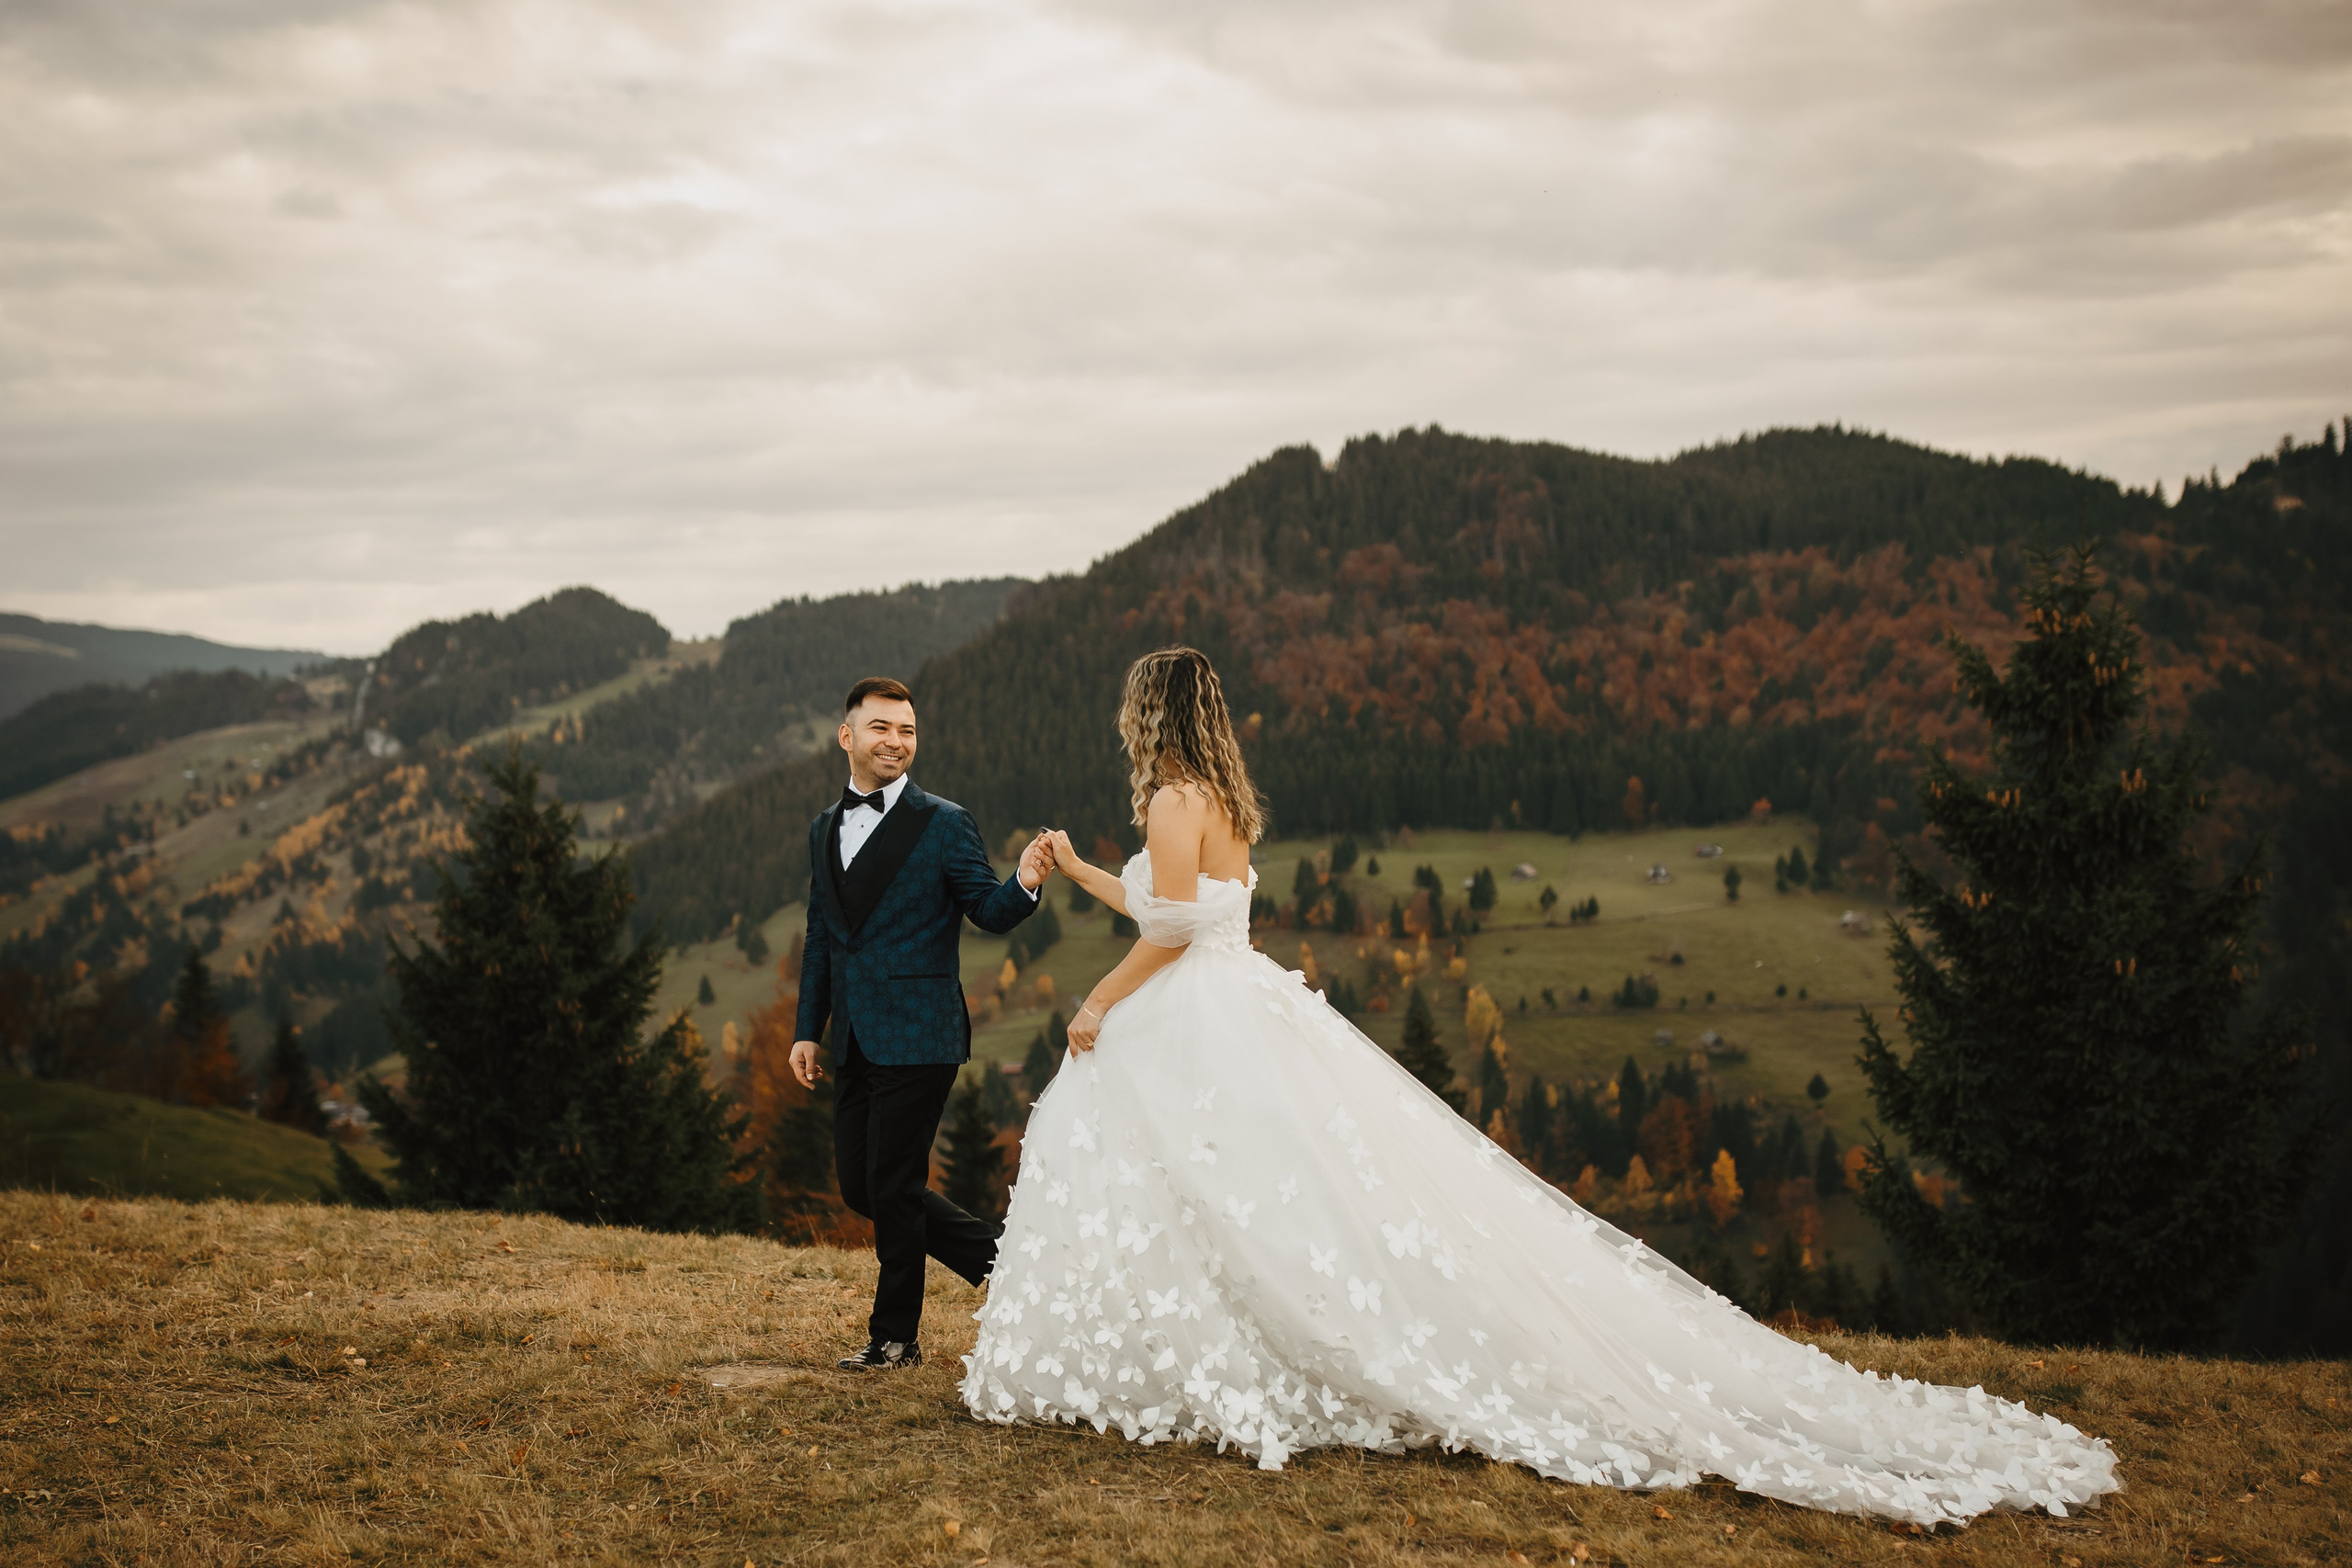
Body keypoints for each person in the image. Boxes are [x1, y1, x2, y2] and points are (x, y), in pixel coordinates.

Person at [960, 647, 2120, 1527]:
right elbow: (1186, 910)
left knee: (1205, 1188)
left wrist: (1097, 1001)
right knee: (1273, 1196)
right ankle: (1226, 1349)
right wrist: (1075, 870)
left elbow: (1166, 930)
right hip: (1236, 996)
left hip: (1194, 1008)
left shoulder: (1170, 798)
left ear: (1147, 715)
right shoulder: (1218, 796)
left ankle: (1218, 1355)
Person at [789, 675, 1057, 1370]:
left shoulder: (945, 822)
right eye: (881, 728)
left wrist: (1024, 880)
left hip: (922, 1032)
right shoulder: (825, 827)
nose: (896, 741)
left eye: (906, 730)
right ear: (847, 736)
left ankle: (895, 1336)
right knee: (863, 1186)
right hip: (851, 1034)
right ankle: (1003, 1256)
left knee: (895, 1184)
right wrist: (806, 1028)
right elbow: (822, 934)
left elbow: (988, 911)